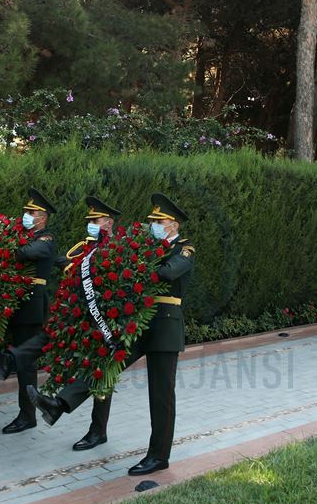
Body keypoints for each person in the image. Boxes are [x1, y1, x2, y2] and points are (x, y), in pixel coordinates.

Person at [28, 193, 195, 476]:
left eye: (160, 222)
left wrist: (137, 265)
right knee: (103, 364)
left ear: (173, 224)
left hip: (165, 325)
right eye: (152, 222)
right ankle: (59, 404)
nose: (154, 226)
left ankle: (158, 456)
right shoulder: (147, 247)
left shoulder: (185, 248)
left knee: (161, 394)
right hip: (138, 324)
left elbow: (167, 273)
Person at [0, 196, 120, 451]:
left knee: (101, 370)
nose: (90, 223)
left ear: (109, 223)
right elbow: (70, 266)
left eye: (95, 220)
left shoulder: (117, 247)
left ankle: (97, 430)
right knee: (49, 334)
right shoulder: (84, 248)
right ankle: (10, 361)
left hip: (103, 319)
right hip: (80, 313)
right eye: (89, 220)